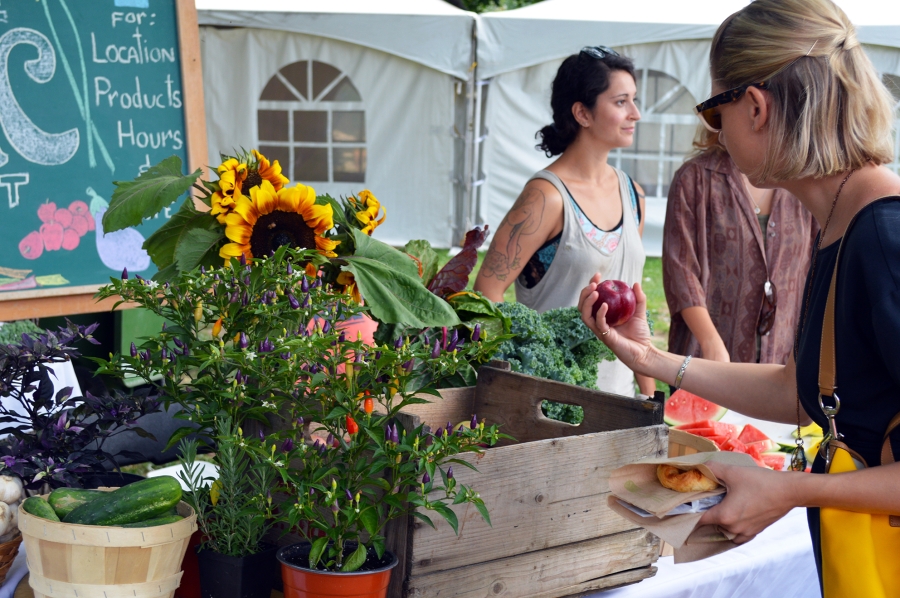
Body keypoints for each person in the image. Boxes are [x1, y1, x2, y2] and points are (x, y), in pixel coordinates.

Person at [579, 0, 900, 592]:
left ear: (755, 107)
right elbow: (799, 389)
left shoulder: (883, 236)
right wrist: (649, 360)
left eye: (713, 107)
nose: (713, 131)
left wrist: (792, 490)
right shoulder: (842, 219)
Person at [474, 46, 656, 397]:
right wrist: (528, 366)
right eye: (621, 102)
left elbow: (634, 306)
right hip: (549, 407)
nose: (636, 113)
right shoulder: (545, 198)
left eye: (634, 100)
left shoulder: (633, 195)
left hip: (620, 398)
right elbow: (486, 294)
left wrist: (649, 397)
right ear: (582, 113)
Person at [663, 128, 818, 365]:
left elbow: (819, 263)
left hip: (784, 360)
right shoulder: (695, 178)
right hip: (708, 359)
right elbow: (680, 270)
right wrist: (711, 343)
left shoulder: (804, 179)